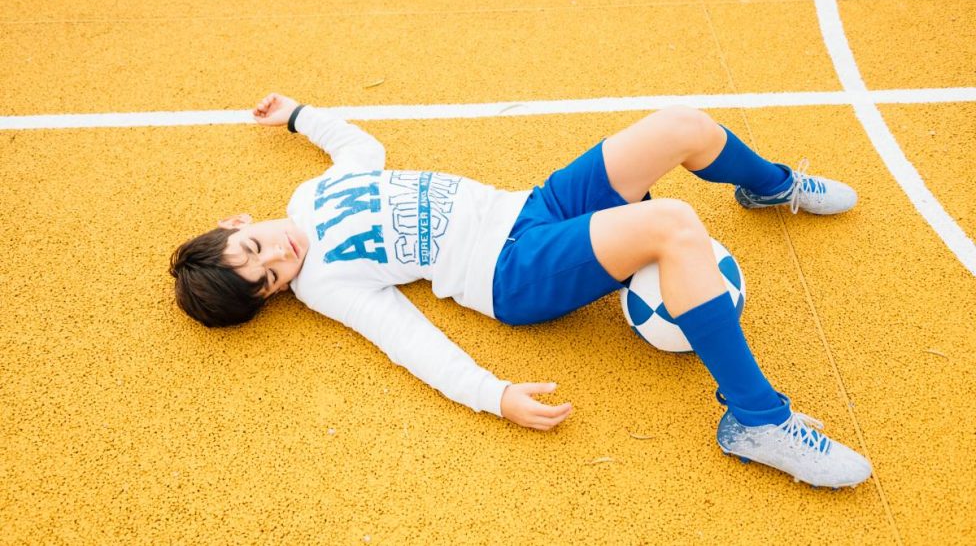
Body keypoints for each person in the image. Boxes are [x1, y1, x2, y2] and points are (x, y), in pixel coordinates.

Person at [169, 93, 872, 489]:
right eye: (268, 281)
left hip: (531, 209)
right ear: (275, 295)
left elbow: (361, 152)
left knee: (682, 124)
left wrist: (298, 115)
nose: (278, 260)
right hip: (513, 274)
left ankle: (771, 184)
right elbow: (406, 339)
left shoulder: (312, 193)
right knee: (675, 226)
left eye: (255, 247)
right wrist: (492, 392)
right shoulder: (325, 283)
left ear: (238, 221)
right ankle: (756, 419)